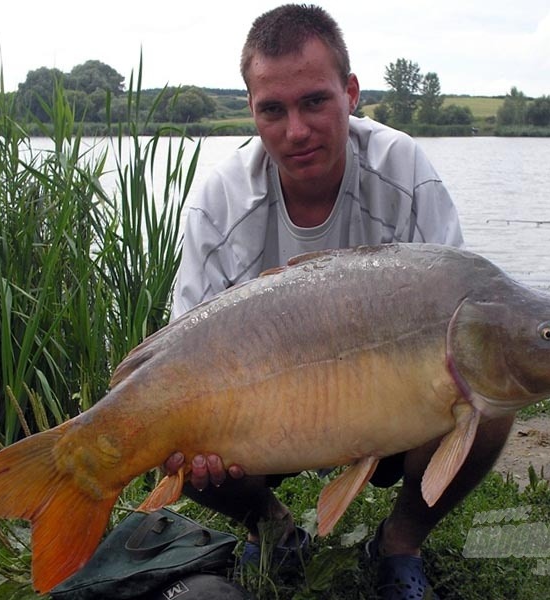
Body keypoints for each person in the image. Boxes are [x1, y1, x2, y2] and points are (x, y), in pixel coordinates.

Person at [164, 5, 514, 599]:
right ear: (252, 110)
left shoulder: (403, 169)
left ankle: (400, 543)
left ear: (350, 94)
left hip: (392, 409)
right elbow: (183, 358)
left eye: (315, 102)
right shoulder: (218, 204)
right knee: (168, 438)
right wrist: (193, 437)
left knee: (488, 395)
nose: (295, 130)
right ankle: (273, 528)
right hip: (265, 422)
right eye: (273, 109)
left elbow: (464, 315)